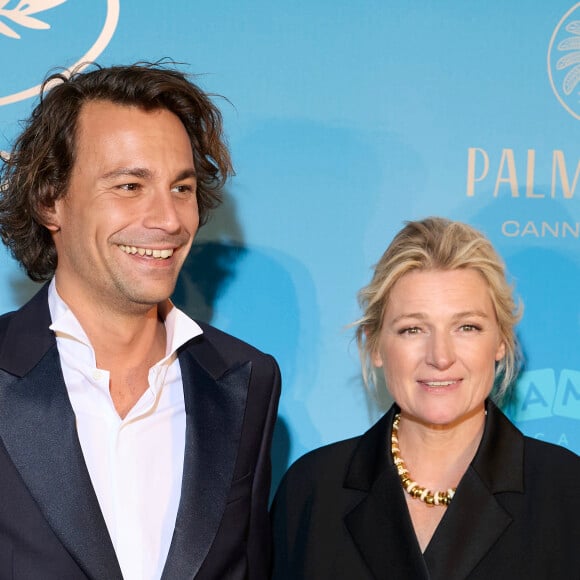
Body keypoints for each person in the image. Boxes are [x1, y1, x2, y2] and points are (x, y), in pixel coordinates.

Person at [0, 62, 281, 580]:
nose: (169, 219)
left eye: (181, 188)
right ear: (48, 200)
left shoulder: (246, 380)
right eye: (130, 186)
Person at [271, 217, 580, 579]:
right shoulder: (312, 490)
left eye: (467, 327)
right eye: (412, 329)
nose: (440, 356)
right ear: (375, 345)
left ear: (500, 342)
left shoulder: (566, 491)